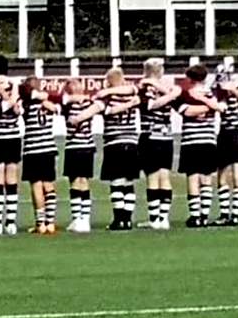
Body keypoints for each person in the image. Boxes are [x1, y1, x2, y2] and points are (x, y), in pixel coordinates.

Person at [178, 64, 224, 228]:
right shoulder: (211, 95)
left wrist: (200, 106)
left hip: (192, 141)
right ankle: (203, 215)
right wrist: (207, 107)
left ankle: (197, 216)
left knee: (194, 177)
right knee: (205, 178)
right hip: (208, 140)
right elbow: (217, 108)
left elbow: (187, 111)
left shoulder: (187, 94)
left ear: (190, 78)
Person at [95, 68, 142, 231]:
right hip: (132, 142)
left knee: (116, 182)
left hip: (115, 143)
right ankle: (128, 219)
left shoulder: (108, 97)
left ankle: (119, 218)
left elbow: (110, 111)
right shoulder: (132, 95)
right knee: (128, 183)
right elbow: (134, 90)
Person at [137, 59, 181, 229]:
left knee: (155, 177)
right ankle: (163, 218)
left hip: (152, 137)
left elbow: (150, 105)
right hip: (166, 136)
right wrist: (170, 95)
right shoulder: (168, 89)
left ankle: (156, 218)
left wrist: (167, 94)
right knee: (164, 177)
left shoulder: (149, 88)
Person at [19, 76, 61, 234]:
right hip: (48, 147)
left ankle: (40, 223)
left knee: (36, 186)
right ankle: (50, 222)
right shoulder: (48, 104)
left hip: (33, 149)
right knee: (49, 185)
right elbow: (57, 107)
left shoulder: (26, 105)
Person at [0, 55, 23, 235]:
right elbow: (18, 111)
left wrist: (4, 95)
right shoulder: (13, 86)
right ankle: (10, 221)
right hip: (14, 137)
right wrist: (12, 94)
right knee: (12, 178)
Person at [63, 78, 104, 233]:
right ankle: (85, 219)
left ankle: (76, 218)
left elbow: (63, 100)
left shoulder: (67, 104)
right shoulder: (89, 103)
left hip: (73, 146)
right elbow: (99, 105)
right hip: (88, 146)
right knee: (84, 181)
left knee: (75, 181)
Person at [214, 65, 238, 226]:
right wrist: (237, 92)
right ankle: (235, 214)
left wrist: (231, 92)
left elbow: (219, 106)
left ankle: (225, 214)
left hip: (226, 135)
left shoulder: (219, 91)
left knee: (222, 176)